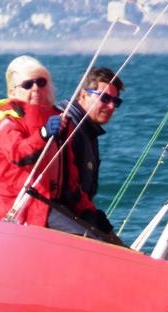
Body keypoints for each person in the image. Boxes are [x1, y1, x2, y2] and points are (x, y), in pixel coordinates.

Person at [0, 55, 107, 235]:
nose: (36, 88)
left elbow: (70, 178)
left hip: (49, 204)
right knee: (85, 238)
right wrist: (43, 134)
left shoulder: (61, 121)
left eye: (41, 82)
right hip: (15, 205)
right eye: (27, 84)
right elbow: (19, 154)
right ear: (13, 91)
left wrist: (88, 211)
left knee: (99, 235)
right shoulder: (6, 122)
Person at [59, 67, 125, 236]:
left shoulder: (88, 130)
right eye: (104, 98)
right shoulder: (66, 127)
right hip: (62, 220)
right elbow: (64, 190)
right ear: (83, 95)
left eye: (115, 102)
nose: (111, 106)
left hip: (78, 214)